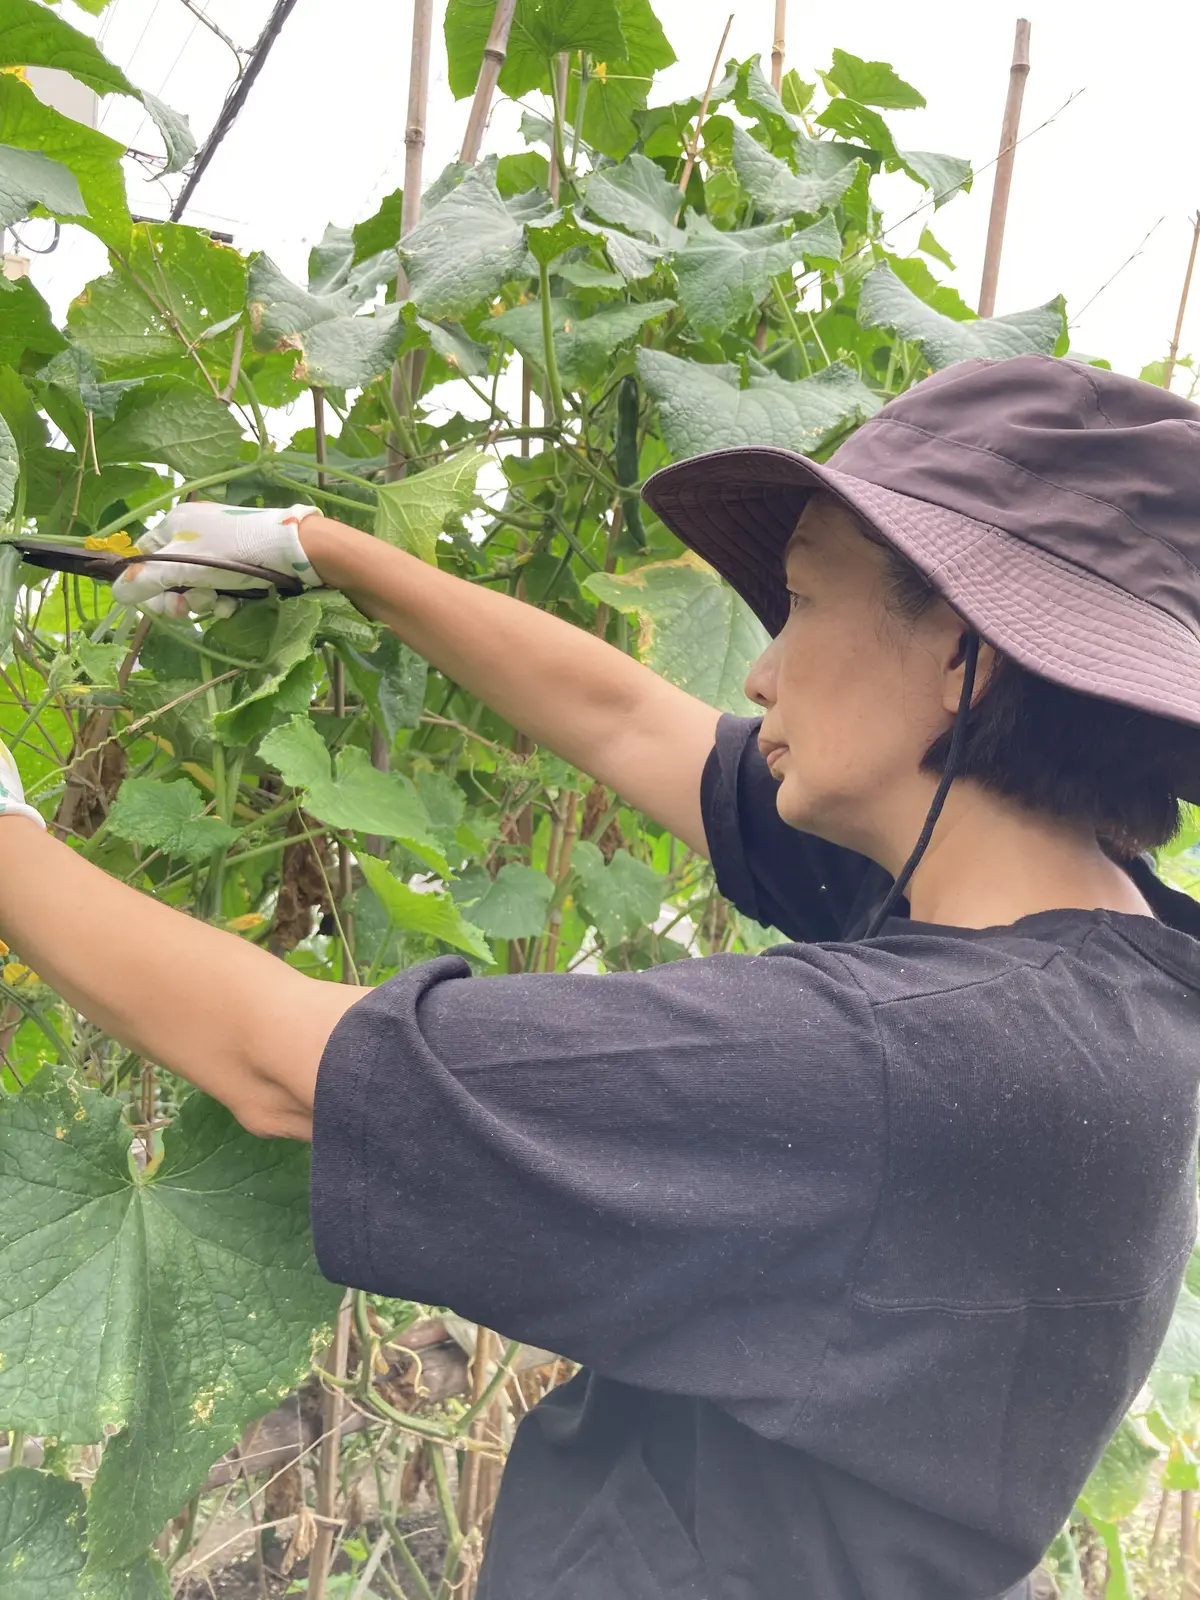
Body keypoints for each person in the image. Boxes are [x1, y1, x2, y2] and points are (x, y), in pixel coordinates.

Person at [0, 352, 1197, 1600]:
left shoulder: (924, 1058)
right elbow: (633, 723)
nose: (759, 669)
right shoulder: (1084, 958)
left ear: (962, 656)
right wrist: (322, 550)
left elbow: (284, 1064)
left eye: (797, 602)